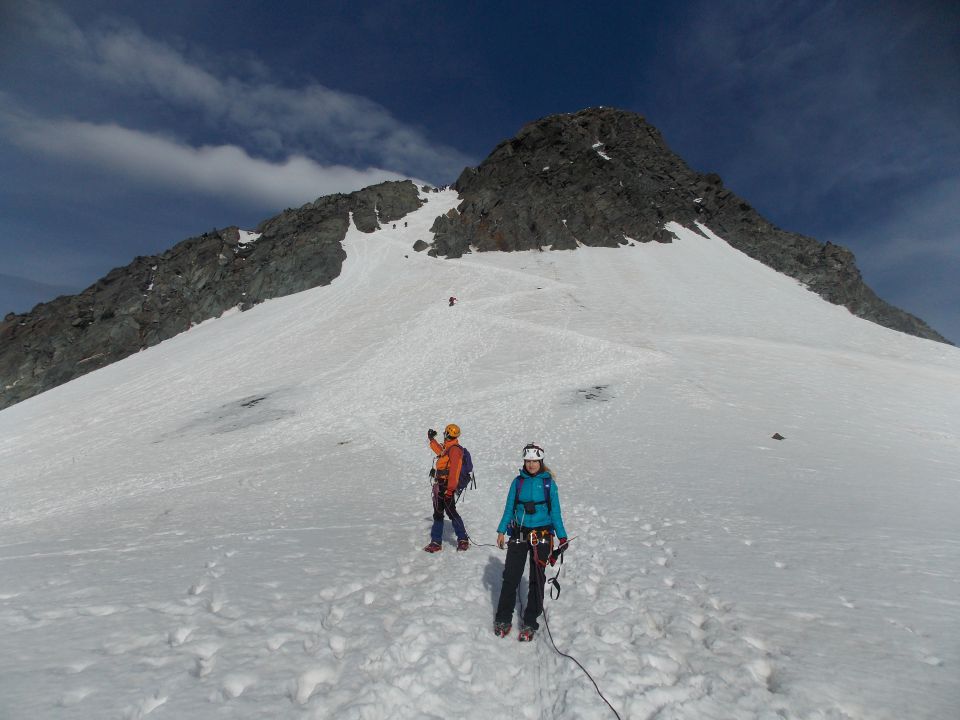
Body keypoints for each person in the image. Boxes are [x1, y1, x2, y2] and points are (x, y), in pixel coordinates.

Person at [494, 443, 568, 641]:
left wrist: (562, 536)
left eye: (535, 461)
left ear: (540, 461)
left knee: (537, 577)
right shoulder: (517, 482)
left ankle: (530, 621)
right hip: (519, 531)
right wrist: (501, 530)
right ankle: (503, 617)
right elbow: (509, 507)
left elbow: (556, 512)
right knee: (511, 575)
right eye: (528, 461)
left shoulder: (548, 484)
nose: (531, 464)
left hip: (542, 534)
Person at [424, 423, 470, 553]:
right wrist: (432, 440)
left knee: (451, 512)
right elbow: (440, 451)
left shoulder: (455, 449)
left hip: (446, 486)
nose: (444, 434)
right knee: (438, 513)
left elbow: (455, 471)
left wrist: (450, 490)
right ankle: (436, 541)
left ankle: (462, 539)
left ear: (448, 434)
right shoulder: (448, 447)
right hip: (440, 484)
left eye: (445, 433)